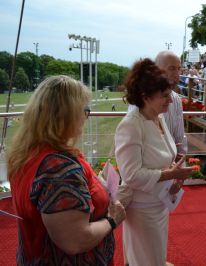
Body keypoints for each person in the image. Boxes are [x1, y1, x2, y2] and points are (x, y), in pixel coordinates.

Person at [7, 75, 126, 265]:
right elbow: (76, 241)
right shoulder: (58, 169)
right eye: (85, 111)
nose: (86, 118)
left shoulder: (29, 152)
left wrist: (100, 185)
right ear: (67, 115)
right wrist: (113, 220)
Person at [115, 58, 194, 266]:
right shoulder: (131, 126)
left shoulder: (157, 118)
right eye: (164, 96)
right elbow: (131, 175)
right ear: (145, 97)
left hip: (159, 204)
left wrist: (173, 178)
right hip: (142, 211)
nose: (170, 101)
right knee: (145, 260)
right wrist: (171, 175)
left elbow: (163, 159)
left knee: (155, 258)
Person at [128, 51, 187, 154]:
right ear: (157, 70)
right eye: (172, 68)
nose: (178, 74)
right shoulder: (143, 99)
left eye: (179, 68)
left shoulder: (176, 99)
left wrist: (179, 161)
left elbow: (179, 137)